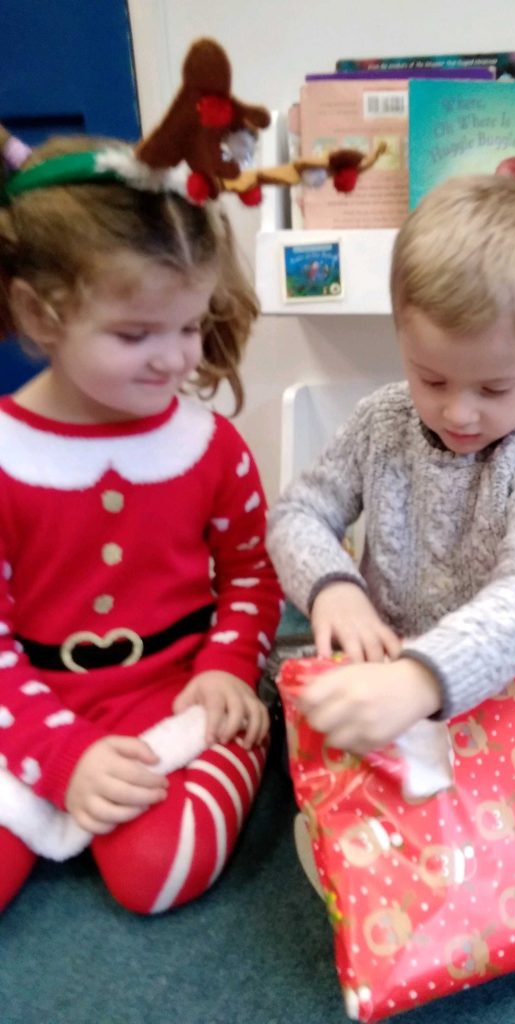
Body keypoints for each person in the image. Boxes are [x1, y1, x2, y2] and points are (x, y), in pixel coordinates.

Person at [0, 131, 282, 914]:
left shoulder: (210, 445)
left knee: (157, 873)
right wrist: (60, 754)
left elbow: (252, 575)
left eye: (189, 326)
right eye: (135, 335)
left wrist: (228, 667)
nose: (175, 359)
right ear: (38, 314)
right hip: (23, 699)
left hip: (177, 693)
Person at [267, 174, 515, 757]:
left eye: (494, 388)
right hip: (384, 671)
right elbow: (298, 514)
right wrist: (333, 587)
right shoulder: (381, 421)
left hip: (499, 681)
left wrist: (424, 676)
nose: (458, 412)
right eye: (432, 379)